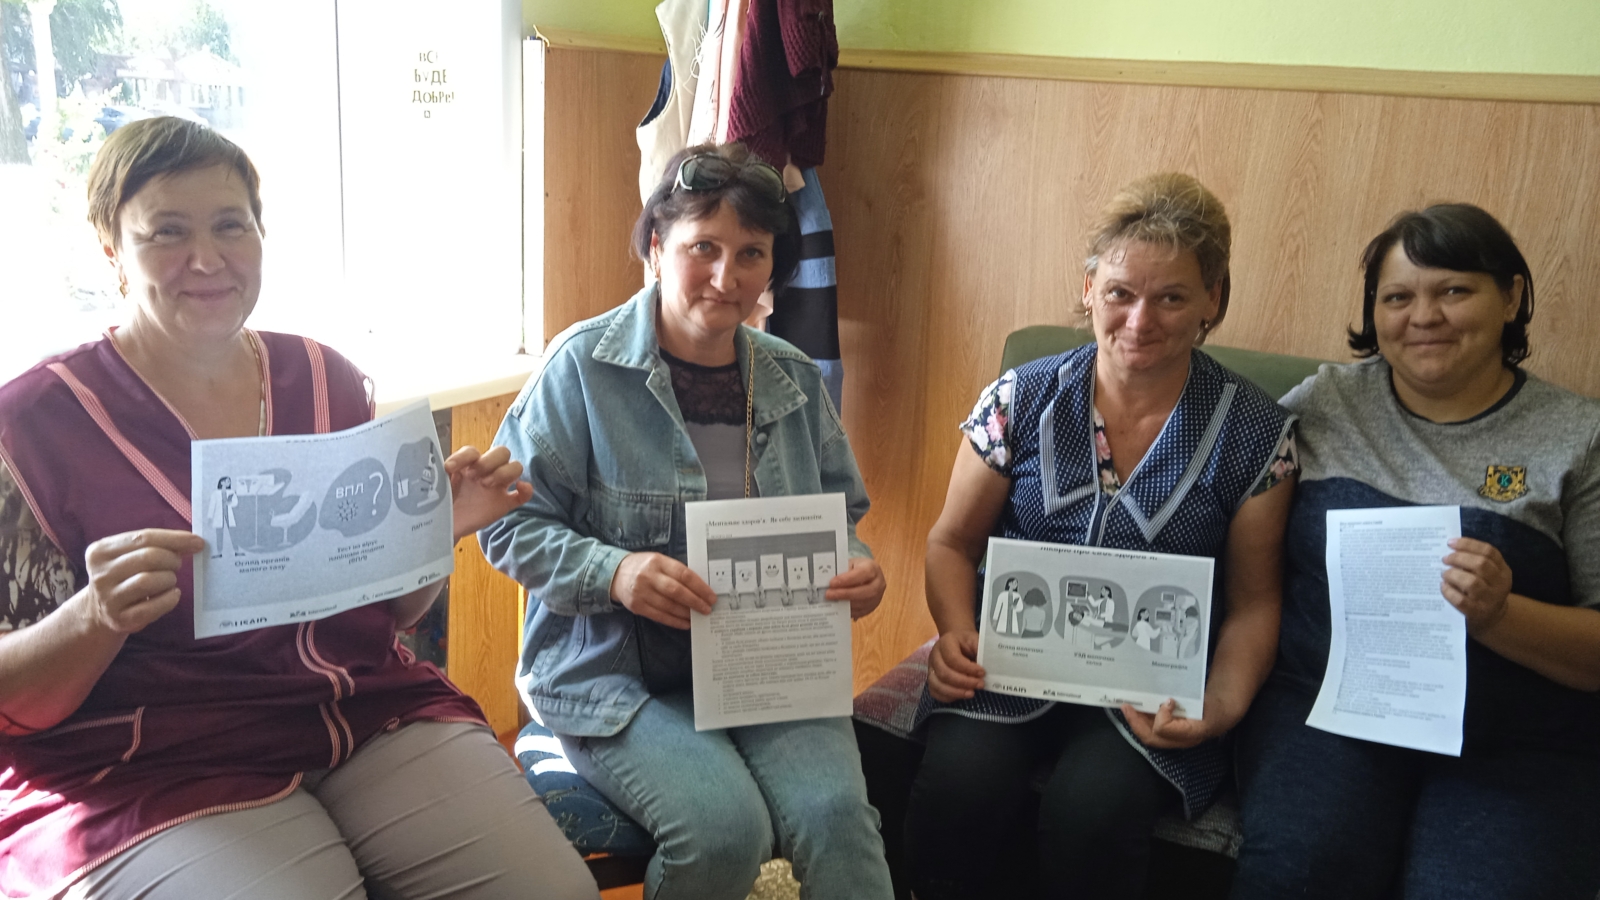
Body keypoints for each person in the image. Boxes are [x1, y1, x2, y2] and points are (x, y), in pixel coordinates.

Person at [0, 117, 599, 900]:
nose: (206, 259)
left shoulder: (325, 378)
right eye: (167, 232)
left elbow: (391, 615)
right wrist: (95, 617)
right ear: (112, 250)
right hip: (152, 757)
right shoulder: (35, 424)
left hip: (360, 712)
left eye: (230, 225)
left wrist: (432, 530)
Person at [479, 143, 895, 900]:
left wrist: (857, 565)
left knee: (839, 820)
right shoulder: (580, 368)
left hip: (768, 664)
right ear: (655, 247)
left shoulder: (793, 377)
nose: (726, 277)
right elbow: (506, 525)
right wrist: (615, 572)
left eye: (752, 254)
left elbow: (841, 517)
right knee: (723, 831)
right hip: (613, 676)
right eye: (703, 247)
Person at [906, 173, 1298, 899]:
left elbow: (1255, 604)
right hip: (1010, 668)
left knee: (1092, 810)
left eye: (1172, 297)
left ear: (1213, 300)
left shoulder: (1256, 434)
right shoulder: (1019, 398)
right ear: (1089, 289)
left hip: (1150, 690)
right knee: (962, 783)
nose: (1140, 320)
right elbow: (951, 544)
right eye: (1120, 292)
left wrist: (1220, 706)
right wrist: (956, 632)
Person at [1231, 204, 1600, 900]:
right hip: (1329, 712)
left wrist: (1500, 616)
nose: (1424, 316)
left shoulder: (1579, 437)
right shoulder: (1326, 403)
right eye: (1397, 297)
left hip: (1512, 741)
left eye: (1454, 290)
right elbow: (1221, 492)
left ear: (1511, 297)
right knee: (1299, 871)